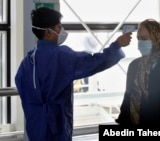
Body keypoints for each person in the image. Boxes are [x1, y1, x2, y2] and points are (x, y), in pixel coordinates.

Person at [15, 7, 132, 141]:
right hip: (55, 128)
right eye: (59, 27)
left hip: (35, 128)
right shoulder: (60, 56)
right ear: (48, 31)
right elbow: (94, 62)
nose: (62, 31)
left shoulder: (27, 62)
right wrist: (117, 45)